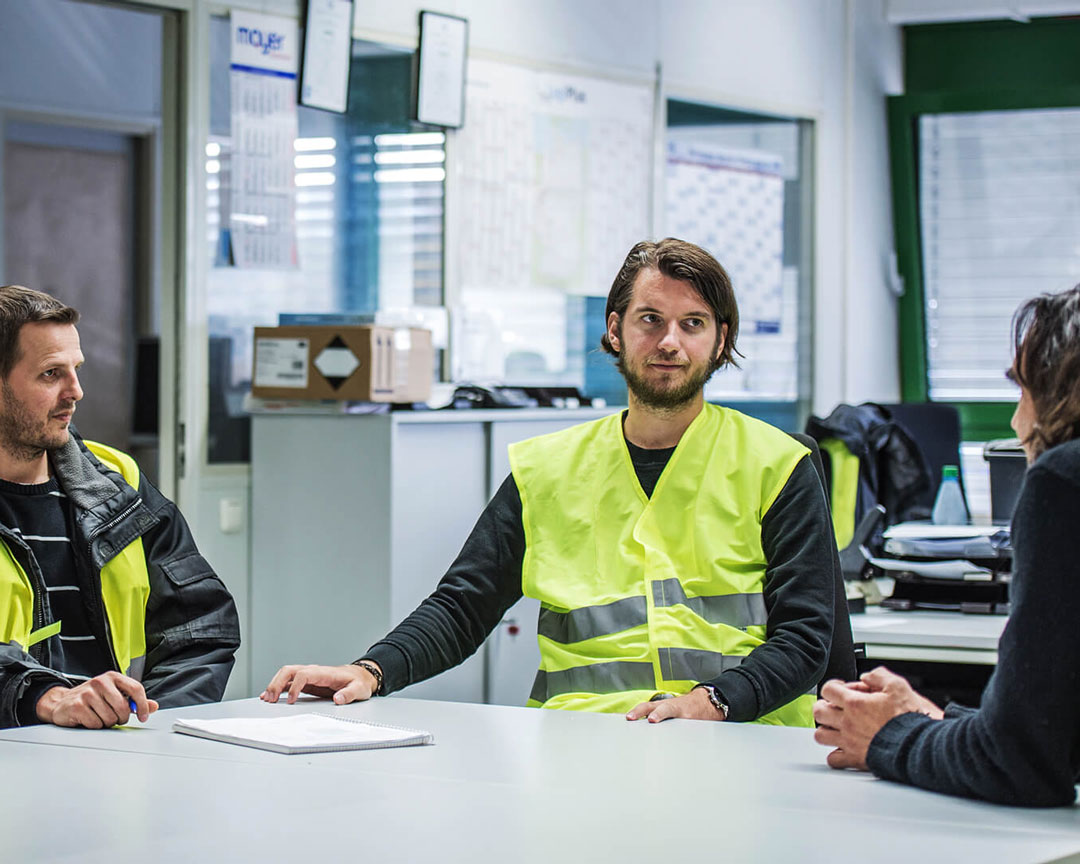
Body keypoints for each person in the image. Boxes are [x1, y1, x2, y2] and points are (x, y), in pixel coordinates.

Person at [263, 238, 837, 725]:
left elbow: (807, 637)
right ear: (615, 331)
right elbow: (463, 606)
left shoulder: (777, 464)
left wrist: (712, 702)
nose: (669, 342)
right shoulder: (549, 469)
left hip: (739, 741)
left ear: (719, 338)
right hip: (582, 750)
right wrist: (370, 670)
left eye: (693, 324)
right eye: (650, 320)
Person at [814, 286, 1080, 807]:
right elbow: (1053, 736)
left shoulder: (1064, 480)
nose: (1015, 421)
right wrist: (933, 722)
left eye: (1022, 392)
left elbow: (1020, 763)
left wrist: (888, 735)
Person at [0, 285, 240, 729]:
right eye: (51, 374)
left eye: (76, 369)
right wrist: (48, 700)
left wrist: (151, 723)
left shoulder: (117, 481)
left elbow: (201, 625)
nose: (76, 391)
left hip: (115, 757)